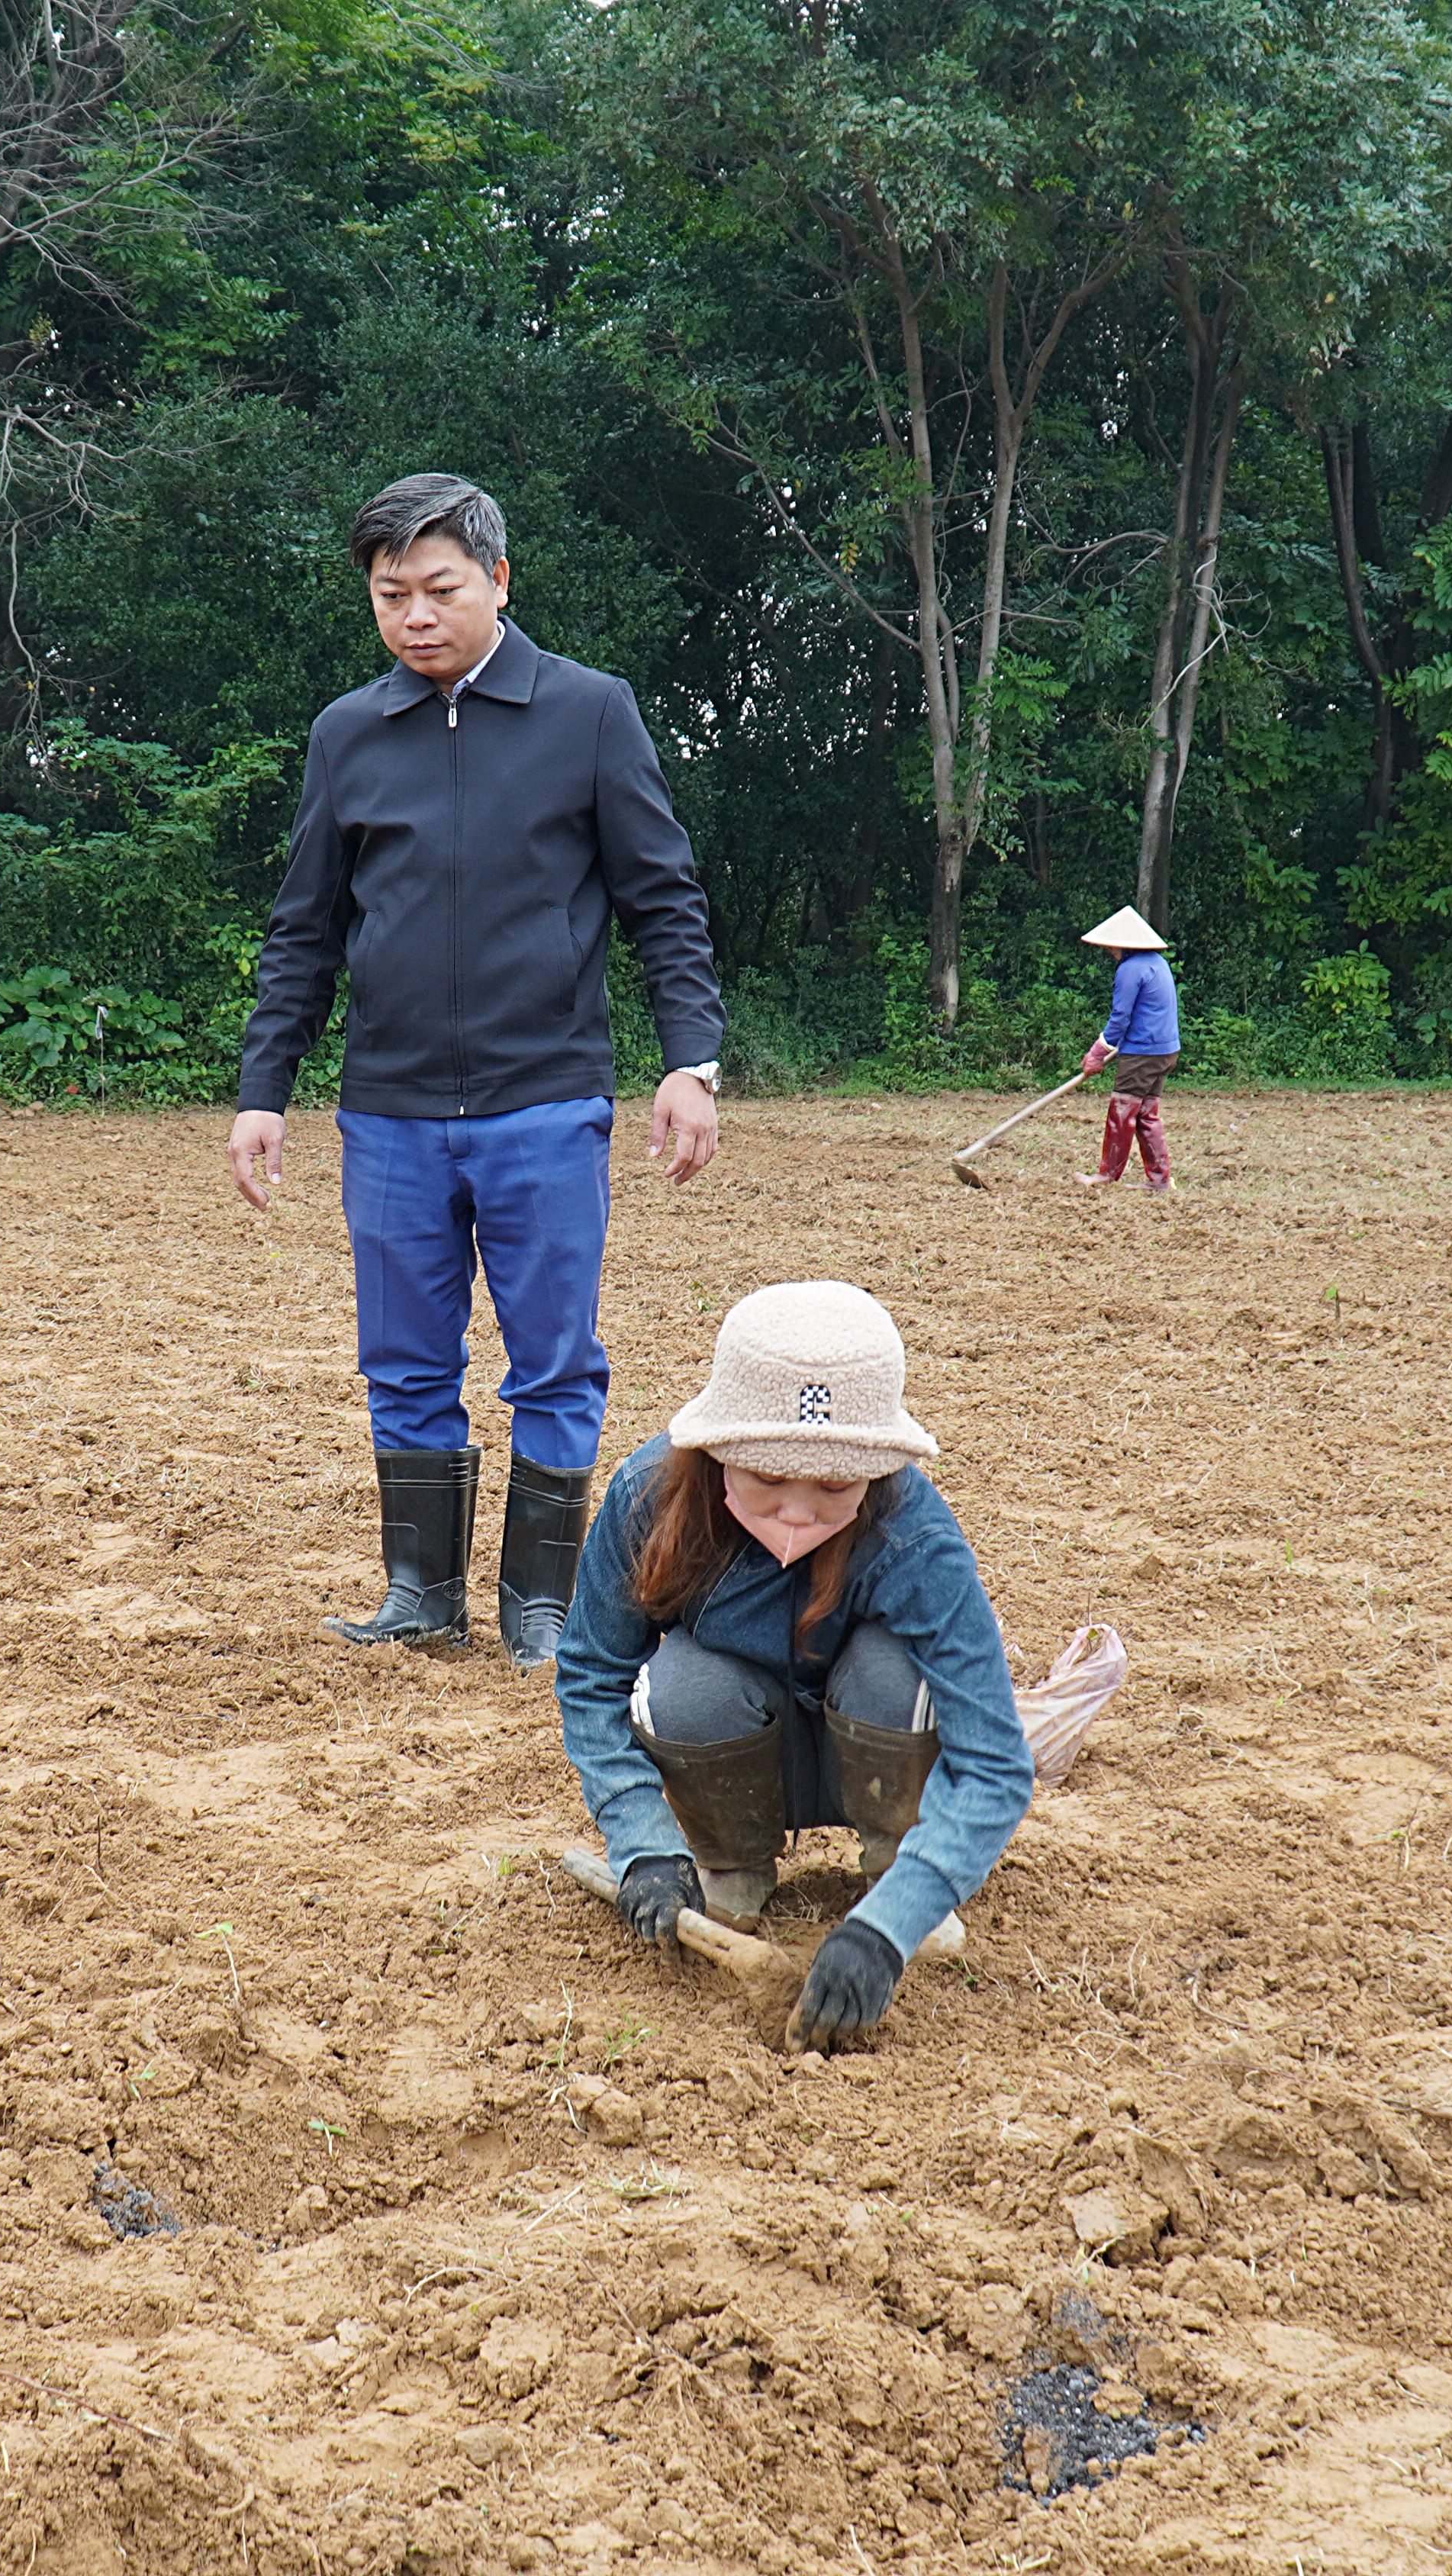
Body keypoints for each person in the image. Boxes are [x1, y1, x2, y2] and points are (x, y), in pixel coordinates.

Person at [228, 472, 726, 1670]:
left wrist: (689, 1061)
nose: (413, 615)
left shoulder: (590, 714)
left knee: (554, 1359)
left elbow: (664, 899)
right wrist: (265, 1087)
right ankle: (420, 1594)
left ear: (499, 581)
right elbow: (306, 928)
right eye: (389, 594)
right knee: (403, 1356)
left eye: (439, 588)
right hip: (391, 1110)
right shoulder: (349, 734)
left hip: (545, 1099)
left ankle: (543, 1607)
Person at [551, 1281, 1033, 2054]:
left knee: (894, 1673)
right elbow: (591, 1674)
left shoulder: (918, 1539)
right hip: (738, 1735)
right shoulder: (647, 1499)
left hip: (869, 1734)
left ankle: (895, 1863)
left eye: (835, 1485)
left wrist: (890, 1926)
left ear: (876, 1469)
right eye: (768, 1479)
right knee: (684, 1685)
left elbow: (996, 1761)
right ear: (717, 1452)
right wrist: (642, 1839)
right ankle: (731, 1858)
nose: (799, 1516)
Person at [1076, 905, 1178, 1193]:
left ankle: (1107, 1175)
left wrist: (1098, 1051)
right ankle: (1159, 1180)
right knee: (1147, 1113)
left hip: (1143, 1053)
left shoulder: (1130, 970)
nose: (1109, 950)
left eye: (1111, 945)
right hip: (1165, 1050)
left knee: (1122, 1110)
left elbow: (1121, 1017)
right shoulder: (1158, 963)